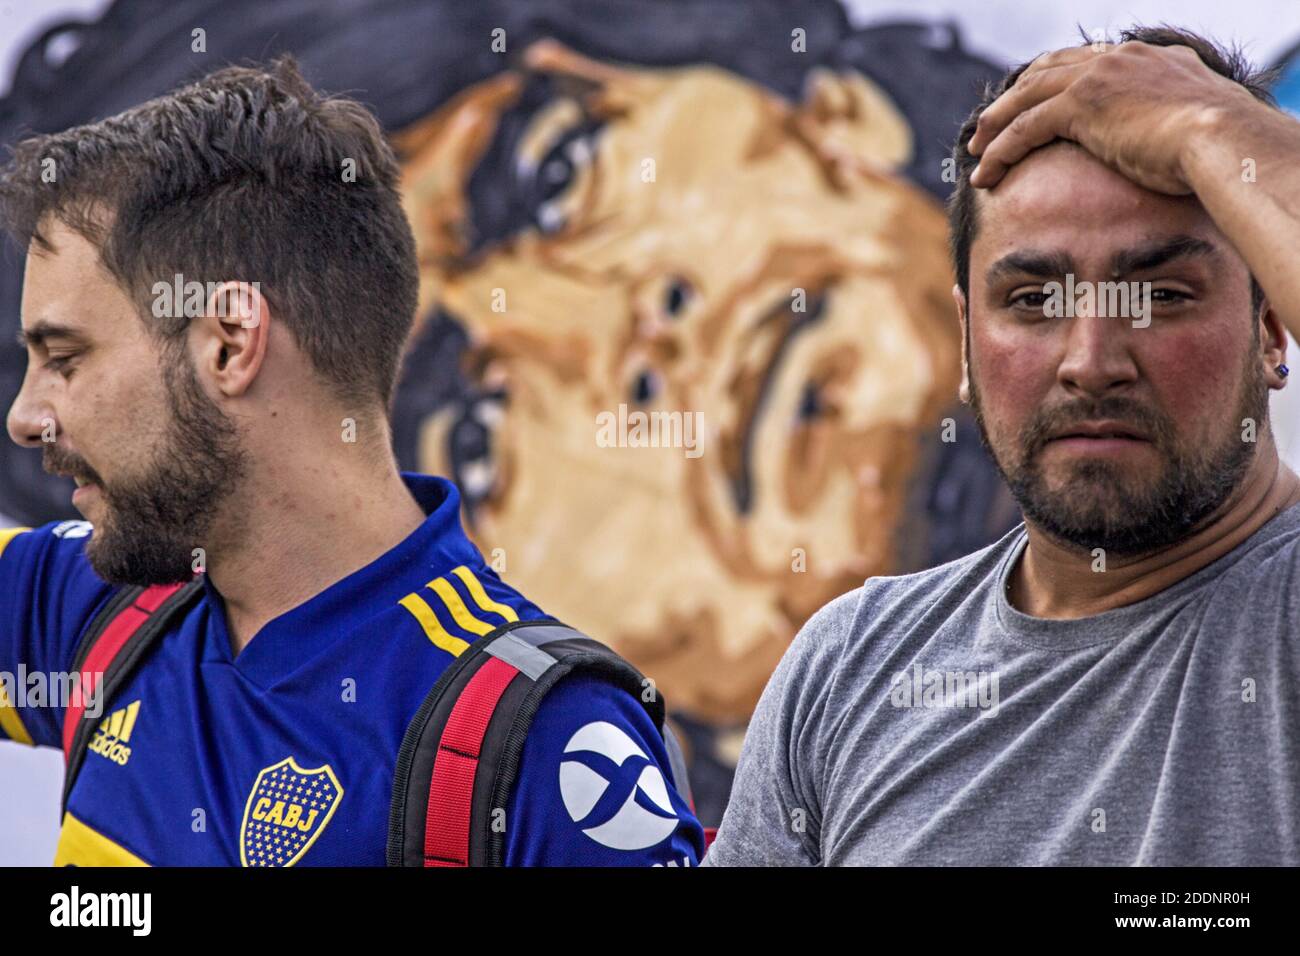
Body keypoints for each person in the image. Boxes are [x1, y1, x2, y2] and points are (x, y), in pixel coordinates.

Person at [0, 56, 703, 867]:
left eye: (64, 357)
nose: (26, 417)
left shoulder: (538, 747)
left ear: (228, 345)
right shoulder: (97, 604)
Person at [704, 26, 1300, 865]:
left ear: (1271, 328)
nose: (1091, 362)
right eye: (1032, 299)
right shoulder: (850, 669)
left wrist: (1213, 128)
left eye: (1160, 296)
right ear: (965, 339)